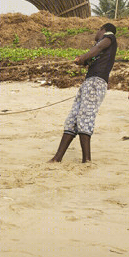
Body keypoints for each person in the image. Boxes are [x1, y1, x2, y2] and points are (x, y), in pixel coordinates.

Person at [49, 23, 118, 163]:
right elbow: (90, 58)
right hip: (89, 82)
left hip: (96, 82)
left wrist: (82, 57)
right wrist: (81, 61)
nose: (96, 34)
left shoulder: (108, 37)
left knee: (85, 119)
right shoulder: (100, 48)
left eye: (98, 31)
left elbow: (97, 48)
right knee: (72, 120)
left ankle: (86, 160)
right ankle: (57, 158)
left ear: (102, 30)